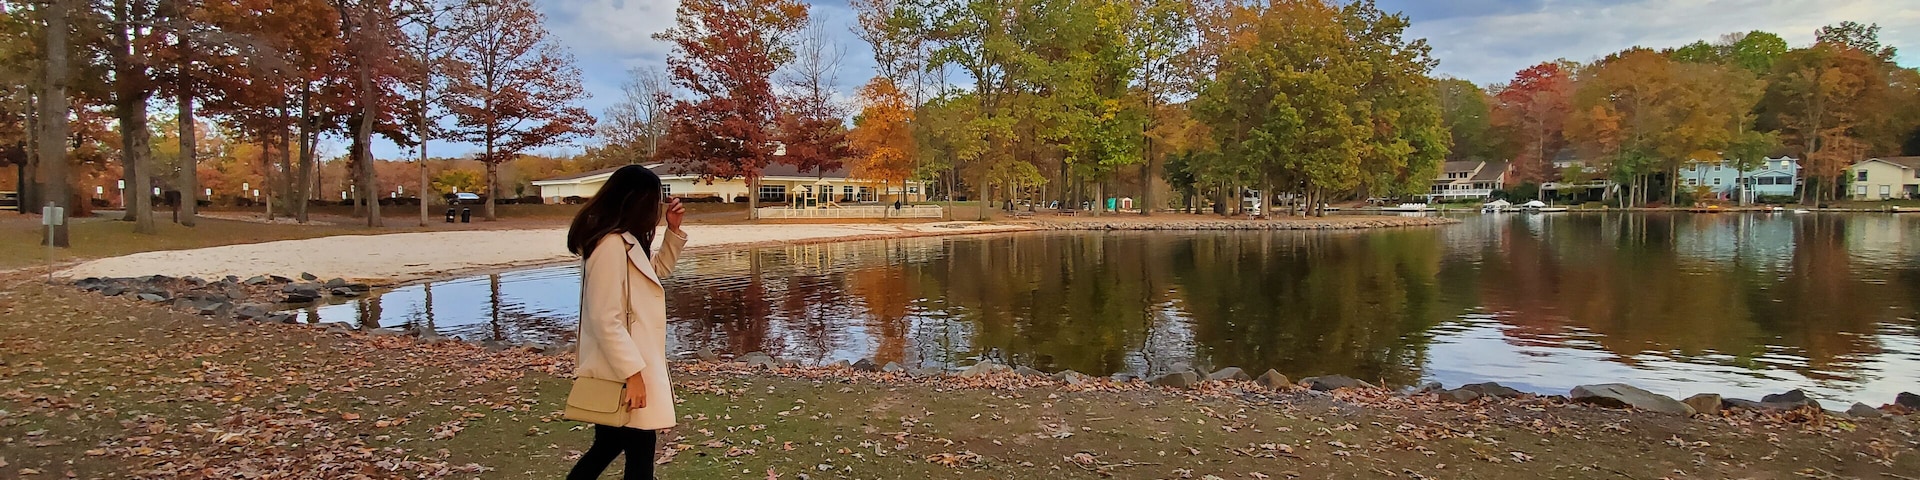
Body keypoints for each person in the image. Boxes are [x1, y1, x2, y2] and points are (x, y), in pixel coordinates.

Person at [564, 165, 687, 480]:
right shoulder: (609, 245)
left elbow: (655, 272)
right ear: (636, 201)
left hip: (629, 365)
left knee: (613, 446)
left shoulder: (625, 240)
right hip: (623, 370)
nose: (656, 208)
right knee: (635, 449)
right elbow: (604, 317)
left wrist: (673, 231)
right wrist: (632, 374)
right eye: (654, 200)